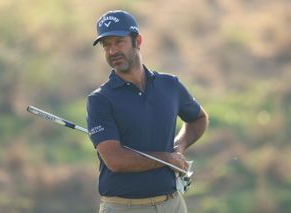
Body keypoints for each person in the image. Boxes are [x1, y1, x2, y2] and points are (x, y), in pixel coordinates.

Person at [86, 10, 208, 213]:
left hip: (173, 204)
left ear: (138, 41)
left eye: (119, 42)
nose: (112, 51)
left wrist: (177, 148)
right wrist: (168, 158)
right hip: (124, 207)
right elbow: (116, 161)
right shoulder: (100, 100)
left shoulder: (169, 85)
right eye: (106, 45)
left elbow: (198, 119)